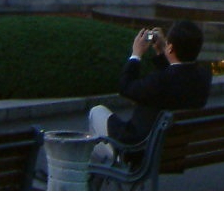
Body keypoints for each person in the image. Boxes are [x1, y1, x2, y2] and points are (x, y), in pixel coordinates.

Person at [89, 20, 212, 154]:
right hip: (174, 151)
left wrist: (136, 54)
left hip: (140, 149)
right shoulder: (204, 76)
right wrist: (161, 52)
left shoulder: (159, 82)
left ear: (170, 48)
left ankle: (107, 167)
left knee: (96, 112)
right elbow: (175, 75)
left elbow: (125, 87)